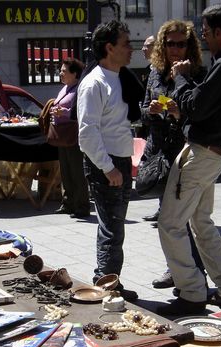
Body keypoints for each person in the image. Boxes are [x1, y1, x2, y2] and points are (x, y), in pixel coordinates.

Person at [157, 4, 221, 314]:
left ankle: (192, 291)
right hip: (212, 153)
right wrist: (181, 109)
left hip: (202, 154)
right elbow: (206, 107)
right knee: (201, 222)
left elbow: (197, 106)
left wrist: (182, 78)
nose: (204, 36)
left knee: (170, 223)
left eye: (207, 32)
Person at [141, 20, 207, 289]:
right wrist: (153, 111)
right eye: (170, 44)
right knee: (170, 218)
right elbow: (143, 110)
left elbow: (200, 114)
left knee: (179, 218)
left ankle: (190, 273)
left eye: (181, 44)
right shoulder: (156, 72)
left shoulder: (197, 73)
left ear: (189, 45)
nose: (175, 49)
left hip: (186, 151)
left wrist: (178, 114)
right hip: (161, 152)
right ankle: (181, 269)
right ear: (162, 45)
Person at [77, 20, 138, 301]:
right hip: (108, 164)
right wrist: (108, 167)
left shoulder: (120, 77)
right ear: (109, 47)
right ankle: (107, 286)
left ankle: (108, 281)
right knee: (112, 229)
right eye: (126, 43)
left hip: (120, 161)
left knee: (115, 227)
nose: (131, 49)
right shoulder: (94, 83)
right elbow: (87, 133)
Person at [52, 58, 90, 218]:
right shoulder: (65, 88)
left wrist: (64, 112)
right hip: (62, 135)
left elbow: (81, 111)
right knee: (66, 171)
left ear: (75, 74)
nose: (60, 73)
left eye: (64, 71)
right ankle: (68, 202)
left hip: (73, 136)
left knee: (76, 172)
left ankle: (82, 206)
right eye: (60, 70)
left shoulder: (79, 90)